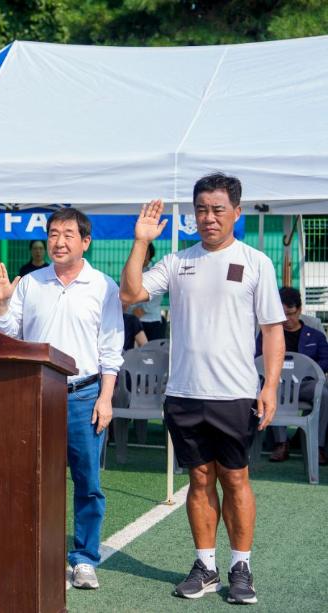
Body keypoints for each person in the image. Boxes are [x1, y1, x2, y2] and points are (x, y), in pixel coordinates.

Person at [120, 173, 284, 605]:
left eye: (217, 209)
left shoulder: (256, 263)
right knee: (198, 479)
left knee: (235, 478)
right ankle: (206, 565)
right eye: (202, 210)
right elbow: (130, 293)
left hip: (235, 395)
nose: (208, 218)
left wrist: (269, 387)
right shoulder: (177, 262)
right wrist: (140, 241)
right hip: (184, 394)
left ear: (236, 212)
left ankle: (240, 567)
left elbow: (272, 331)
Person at [0, 208, 123, 591]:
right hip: (35, 394)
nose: (59, 241)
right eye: (53, 233)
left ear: (85, 241)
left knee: (88, 482)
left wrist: (106, 398)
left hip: (85, 395)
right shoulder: (30, 284)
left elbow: (111, 349)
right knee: (30, 478)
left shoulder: (104, 286)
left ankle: (84, 559)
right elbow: (7, 334)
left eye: (68, 234)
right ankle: (32, 549)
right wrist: (1, 304)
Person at [254, 286, 328, 465]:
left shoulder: (316, 336)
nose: (287, 319)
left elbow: (325, 360)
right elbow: (257, 358)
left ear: (300, 310)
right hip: (276, 384)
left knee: (325, 395)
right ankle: (281, 443)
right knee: (273, 390)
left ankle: (317, 446)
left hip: (306, 385)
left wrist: (308, 372)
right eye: (283, 314)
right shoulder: (268, 335)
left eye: (292, 313)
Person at [128, 242, 166, 340]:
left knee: (152, 352)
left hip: (152, 320)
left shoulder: (155, 270)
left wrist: (144, 309)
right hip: (134, 319)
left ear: (150, 254)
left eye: (145, 252)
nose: (141, 255)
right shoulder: (130, 270)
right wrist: (132, 309)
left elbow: (158, 294)